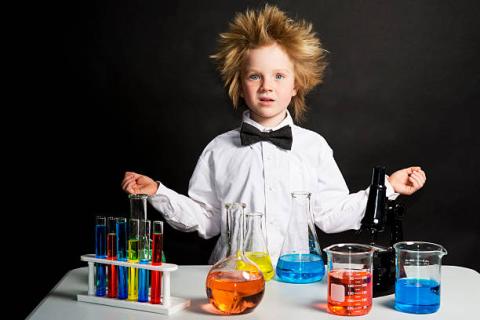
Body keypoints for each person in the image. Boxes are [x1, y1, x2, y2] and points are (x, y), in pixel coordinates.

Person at [121, 5, 426, 265]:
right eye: (255, 76)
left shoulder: (314, 147)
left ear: (296, 85)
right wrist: (157, 191)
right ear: (241, 86)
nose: (267, 86)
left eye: (279, 76)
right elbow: (207, 220)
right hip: (232, 278)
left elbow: (332, 215)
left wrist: (388, 187)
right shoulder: (218, 150)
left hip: (298, 276)